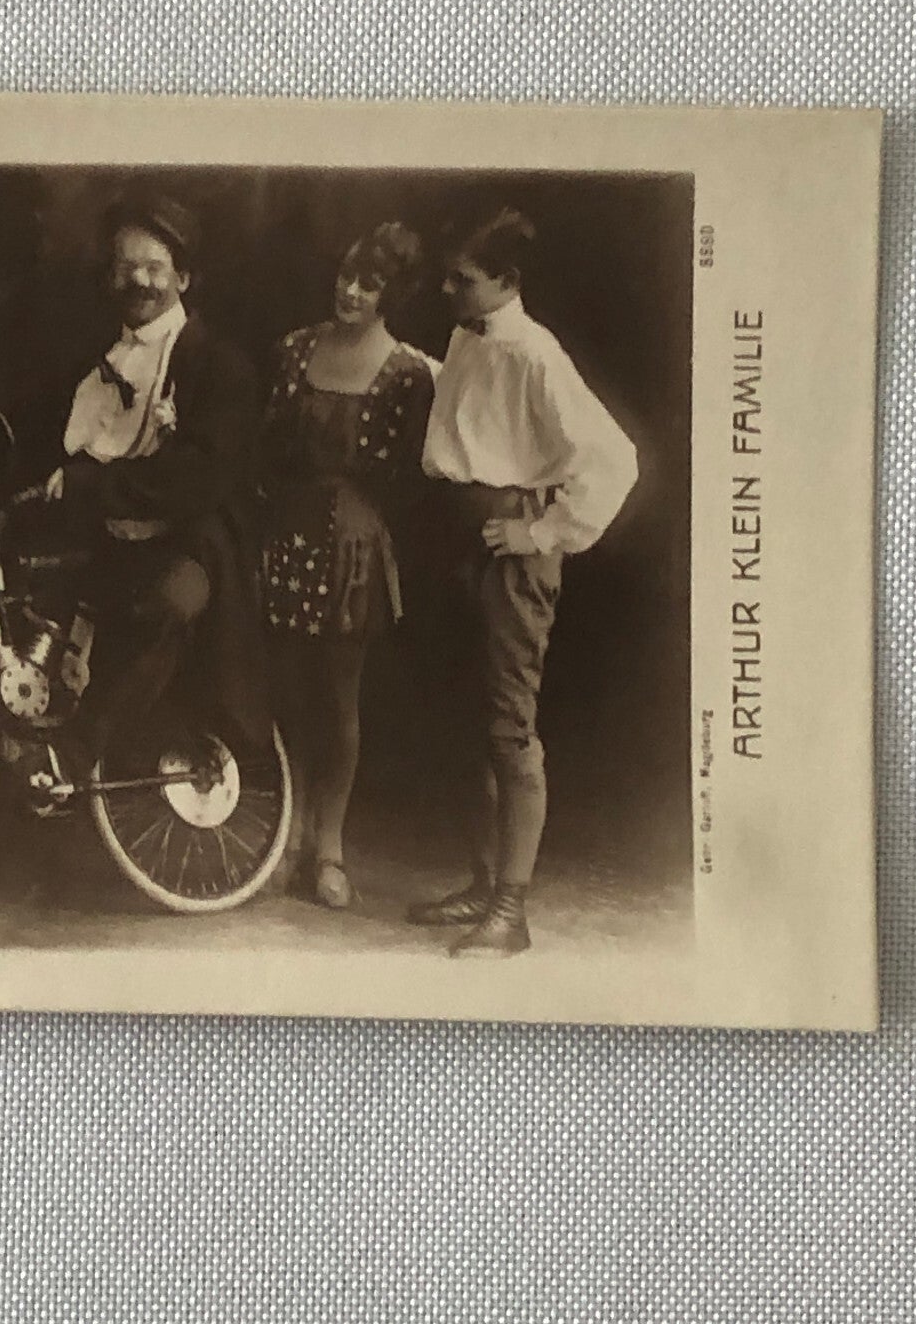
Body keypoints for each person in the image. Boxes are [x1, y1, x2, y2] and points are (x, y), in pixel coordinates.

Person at [409, 206, 638, 956]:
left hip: (511, 549)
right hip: (459, 538)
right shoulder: (466, 338)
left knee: (510, 728)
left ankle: (512, 909)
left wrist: (537, 533)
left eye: (464, 280)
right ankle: (481, 882)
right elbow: (474, 420)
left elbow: (612, 459)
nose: (449, 288)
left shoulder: (537, 354)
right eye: (449, 275)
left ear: (508, 282)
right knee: (465, 722)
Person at [37, 191, 268, 770]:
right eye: (125, 267)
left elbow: (200, 478)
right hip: (107, 535)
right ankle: (37, 738)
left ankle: (90, 752)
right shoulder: (101, 358)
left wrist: (95, 487)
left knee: (165, 607)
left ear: (183, 278)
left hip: (192, 540)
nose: (138, 280)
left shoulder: (219, 365)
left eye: (154, 267)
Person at [260, 223, 435, 909]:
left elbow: (415, 479)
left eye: (370, 283)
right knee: (284, 690)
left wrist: (368, 523)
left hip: (353, 549)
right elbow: (266, 446)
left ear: (393, 295)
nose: (351, 290)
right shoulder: (293, 350)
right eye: (347, 274)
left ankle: (328, 846)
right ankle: (290, 832)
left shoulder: (408, 373)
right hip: (287, 533)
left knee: (337, 699)